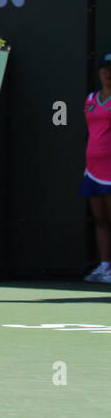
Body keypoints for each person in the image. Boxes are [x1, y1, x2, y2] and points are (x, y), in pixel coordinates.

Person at [83, 53, 111, 282]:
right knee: (101, 220)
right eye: (105, 69)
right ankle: (104, 267)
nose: (108, 74)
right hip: (92, 169)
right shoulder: (91, 99)